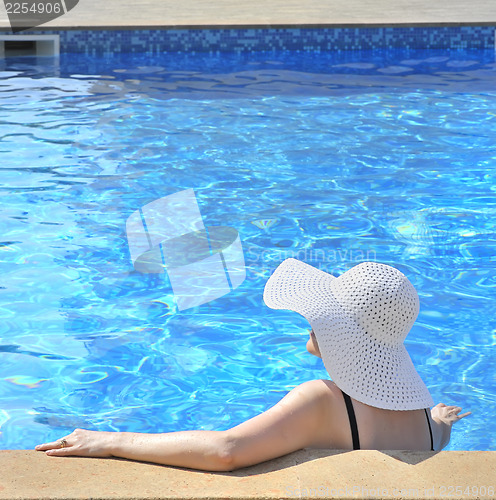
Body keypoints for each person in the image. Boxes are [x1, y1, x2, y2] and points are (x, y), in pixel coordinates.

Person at [35, 259, 470, 471]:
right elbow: (437, 432)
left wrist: (110, 441)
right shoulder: (423, 422)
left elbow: (227, 451)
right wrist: (440, 418)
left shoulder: (324, 401)